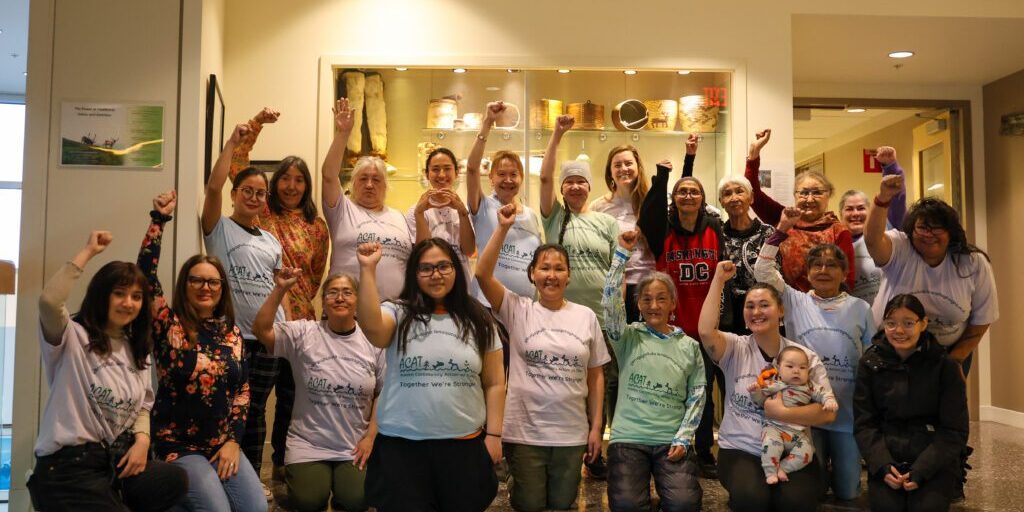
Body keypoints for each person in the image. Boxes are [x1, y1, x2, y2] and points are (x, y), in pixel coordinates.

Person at [27, 230, 188, 511]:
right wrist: (87, 252)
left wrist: (142, 441)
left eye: (136, 297)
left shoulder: (137, 348)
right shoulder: (72, 335)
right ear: (103, 295)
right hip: (68, 467)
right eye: (119, 294)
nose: (128, 303)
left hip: (114, 462)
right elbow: (49, 302)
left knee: (173, 479)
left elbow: (142, 407)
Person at [476, 204, 610, 511]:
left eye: (559, 268)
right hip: (524, 434)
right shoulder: (517, 309)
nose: (552, 275)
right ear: (532, 274)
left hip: (571, 435)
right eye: (544, 268)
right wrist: (503, 228)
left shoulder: (586, 317)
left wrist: (596, 427)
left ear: (569, 276)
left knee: (563, 505)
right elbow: (482, 274)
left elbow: (596, 375)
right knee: (529, 504)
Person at [139, 191, 266, 512]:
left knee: (257, 509)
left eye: (213, 282)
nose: (205, 287)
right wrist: (159, 221)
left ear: (222, 289)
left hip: (222, 444)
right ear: (185, 284)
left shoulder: (231, 332)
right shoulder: (168, 325)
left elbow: (242, 392)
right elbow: (144, 277)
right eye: (197, 280)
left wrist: (234, 442)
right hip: (179, 447)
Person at [357, 239, 505, 512]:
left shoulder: (480, 320)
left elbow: (495, 383)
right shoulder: (398, 312)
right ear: (414, 274)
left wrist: (494, 435)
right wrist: (367, 269)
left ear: (456, 270)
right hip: (402, 449)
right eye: (425, 268)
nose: (435, 274)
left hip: (463, 447)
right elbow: (372, 328)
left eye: (443, 266)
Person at [229, 105, 331, 485]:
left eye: (299, 180)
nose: (291, 185)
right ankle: (247, 475)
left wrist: (300, 308)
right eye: (285, 179)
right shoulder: (262, 214)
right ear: (275, 185)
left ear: (307, 186)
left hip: (302, 326)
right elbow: (239, 164)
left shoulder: (316, 226)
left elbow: (315, 275)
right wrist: (255, 124)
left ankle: (285, 469)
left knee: (292, 401)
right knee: (254, 402)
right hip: (261, 323)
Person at [753, 207, 876, 501]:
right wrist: (781, 230)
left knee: (848, 491)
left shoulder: (861, 308)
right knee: (814, 491)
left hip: (846, 414)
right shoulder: (794, 300)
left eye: (832, 265)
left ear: (844, 272)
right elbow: (762, 271)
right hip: (802, 417)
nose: (823, 270)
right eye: (816, 265)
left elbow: (872, 357)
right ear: (807, 273)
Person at [697, 260, 837, 512]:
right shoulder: (735, 348)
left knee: (796, 503)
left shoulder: (804, 357)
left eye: (764, 305)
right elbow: (706, 332)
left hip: (791, 447)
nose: (756, 311)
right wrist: (718, 280)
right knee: (753, 500)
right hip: (741, 449)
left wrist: (783, 413)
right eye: (750, 306)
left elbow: (828, 412)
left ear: (781, 310)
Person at [253, 270, 384, 512]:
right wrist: (280, 289)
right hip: (308, 444)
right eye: (332, 292)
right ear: (323, 301)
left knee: (357, 500)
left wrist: (370, 438)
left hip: (353, 445)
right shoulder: (304, 333)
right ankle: (316, 482)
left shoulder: (373, 340)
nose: (340, 298)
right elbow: (262, 330)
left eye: (347, 292)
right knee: (309, 501)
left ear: (357, 301)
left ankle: (343, 487)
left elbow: (382, 393)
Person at [202, 122, 286, 486]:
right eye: (247, 191)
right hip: (229, 336)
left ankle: (250, 478)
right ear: (235, 194)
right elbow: (212, 185)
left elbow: (277, 288)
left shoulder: (271, 241)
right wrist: (232, 144)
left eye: (260, 193)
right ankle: (219, 474)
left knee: (254, 413)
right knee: (223, 407)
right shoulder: (218, 228)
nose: (254, 197)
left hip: (266, 337)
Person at [637, 138, 725, 478]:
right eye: (682, 192)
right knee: (677, 393)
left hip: (708, 329)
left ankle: (706, 449)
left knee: (707, 394)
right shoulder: (663, 232)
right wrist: (663, 176)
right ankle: (674, 447)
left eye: (695, 192)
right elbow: (651, 211)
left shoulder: (714, 229)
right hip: (673, 330)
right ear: (674, 200)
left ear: (703, 200)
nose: (688, 195)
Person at [601, 229, 706, 512]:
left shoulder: (690, 346)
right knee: (626, 507)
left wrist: (684, 436)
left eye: (661, 298)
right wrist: (620, 256)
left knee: (685, 506)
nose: (654, 305)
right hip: (628, 439)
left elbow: (697, 395)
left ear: (673, 303)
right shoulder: (627, 338)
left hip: (670, 440)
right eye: (646, 299)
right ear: (637, 304)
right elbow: (609, 304)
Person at [538, 114, 619, 478]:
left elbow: (619, 271)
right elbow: (543, 177)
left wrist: (619, 313)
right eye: (568, 181)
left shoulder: (607, 222)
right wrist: (557, 136)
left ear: (589, 187)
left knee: (606, 384)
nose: (574, 187)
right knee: (572, 384)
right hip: (562, 316)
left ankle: (601, 447)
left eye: (580, 182)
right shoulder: (554, 217)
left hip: (603, 319)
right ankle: (572, 447)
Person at [863, 174, 998, 374]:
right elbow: (873, 241)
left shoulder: (972, 263)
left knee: (947, 405)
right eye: (922, 227)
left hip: (949, 352)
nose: (929, 234)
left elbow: (982, 320)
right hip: (893, 349)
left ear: (950, 232)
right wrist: (882, 199)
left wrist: (954, 362)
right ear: (911, 229)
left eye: (937, 228)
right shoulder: (901, 247)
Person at [854, 294, 968, 512]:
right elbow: (864, 424)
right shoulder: (870, 363)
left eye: (908, 323)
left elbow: (955, 431)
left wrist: (922, 470)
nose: (899, 331)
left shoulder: (945, 367)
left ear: (923, 324)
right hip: (888, 454)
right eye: (891, 323)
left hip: (932, 456)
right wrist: (883, 466)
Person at [322, 98, 413, 301]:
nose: (370, 184)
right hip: (345, 310)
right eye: (363, 179)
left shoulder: (400, 217)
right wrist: (343, 133)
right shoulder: (342, 209)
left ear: (386, 186)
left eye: (376, 179)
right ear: (353, 184)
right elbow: (328, 175)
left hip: (394, 314)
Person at [744, 128, 856, 292]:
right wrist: (754, 153)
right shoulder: (784, 218)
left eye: (817, 193)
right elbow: (752, 193)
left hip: (825, 306)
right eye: (803, 193)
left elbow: (847, 278)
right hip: (787, 303)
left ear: (829, 195)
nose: (809, 199)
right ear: (795, 195)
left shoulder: (838, 231)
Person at [466, 101, 544, 304]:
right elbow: (472, 169)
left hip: (525, 306)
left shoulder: (532, 215)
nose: (508, 180)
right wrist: (488, 123)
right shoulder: (483, 206)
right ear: (491, 178)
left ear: (522, 178)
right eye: (501, 174)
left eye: (513, 174)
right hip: (486, 305)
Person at [748, 347, 837, 485]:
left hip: (798, 433)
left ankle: (783, 468)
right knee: (770, 444)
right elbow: (761, 402)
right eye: (790, 366)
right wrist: (755, 392)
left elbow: (823, 393)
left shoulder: (809, 386)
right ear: (778, 367)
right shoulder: (774, 383)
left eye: (802, 367)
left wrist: (829, 401)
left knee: (808, 452)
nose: (796, 371)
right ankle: (770, 471)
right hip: (774, 428)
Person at [590, 144, 656, 323]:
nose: (623, 169)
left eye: (628, 163)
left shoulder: (651, 202)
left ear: (638, 167)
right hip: (617, 285)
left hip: (650, 285)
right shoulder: (598, 207)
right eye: (617, 165)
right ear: (610, 172)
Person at [838, 146, 907, 305]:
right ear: (840, 214)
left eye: (861, 208)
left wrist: (890, 166)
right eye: (849, 209)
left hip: (889, 316)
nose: (855, 213)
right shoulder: (836, 242)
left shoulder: (887, 230)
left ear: (871, 211)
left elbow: (896, 199)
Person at [407, 146, 476, 290]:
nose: (442, 174)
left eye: (447, 168)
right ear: (427, 174)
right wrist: (419, 214)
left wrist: (463, 213)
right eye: (435, 169)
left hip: (463, 286)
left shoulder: (464, 209)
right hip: (432, 285)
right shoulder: (416, 210)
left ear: (456, 173)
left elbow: (469, 250)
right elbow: (422, 254)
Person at [717, 174, 778, 334]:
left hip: (762, 309)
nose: (734, 198)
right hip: (729, 315)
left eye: (739, 191)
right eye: (727, 193)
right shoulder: (717, 236)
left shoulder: (768, 233)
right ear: (721, 202)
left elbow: (778, 275)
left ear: (751, 198)